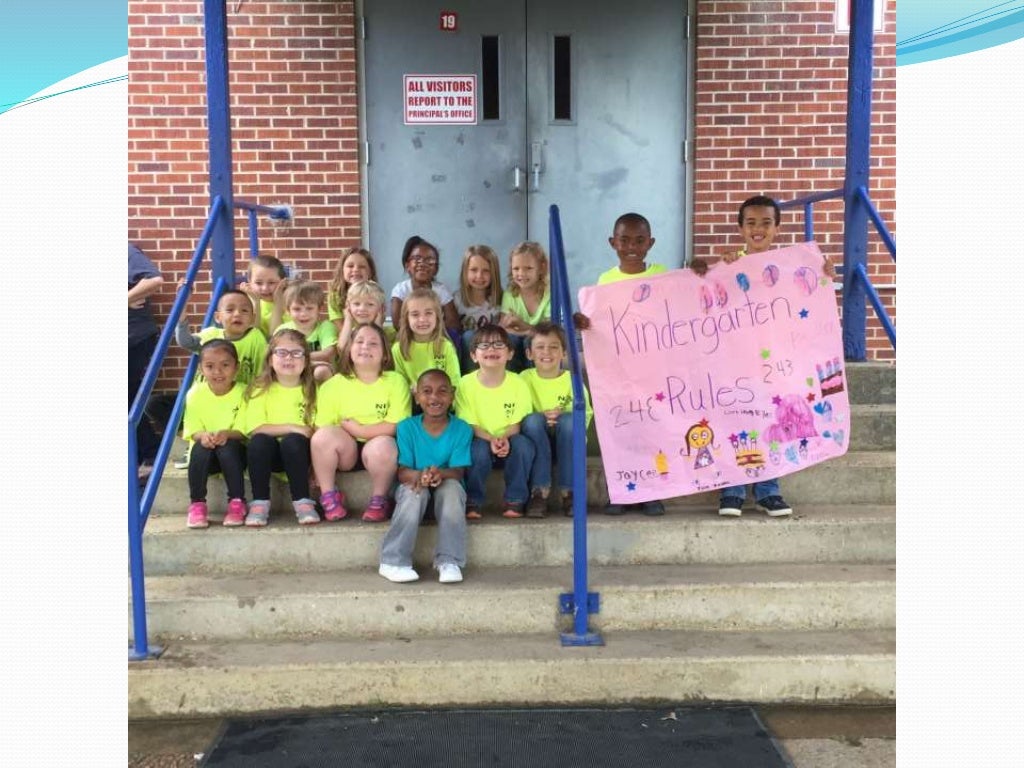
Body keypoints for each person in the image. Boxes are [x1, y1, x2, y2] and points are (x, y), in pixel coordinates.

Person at [693, 195, 798, 517]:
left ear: (777, 228)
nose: (758, 229)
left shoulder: (788, 267)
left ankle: (768, 491)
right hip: (736, 362)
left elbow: (807, 297)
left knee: (771, 423)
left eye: (766, 222)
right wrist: (702, 272)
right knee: (736, 423)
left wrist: (821, 273)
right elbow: (706, 297)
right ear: (740, 228)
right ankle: (733, 490)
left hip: (773, 362)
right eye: (750, 223)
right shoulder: (729, 266)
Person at [572, 214, 667, 516]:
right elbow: (602, 323)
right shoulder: (605, 281)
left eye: (640, 240)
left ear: (650, 243)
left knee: (652, 431)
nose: (631, 246)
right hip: (619, 373)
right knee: (622, 432)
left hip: (653, 370)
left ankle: (653, 491)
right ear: (612, 243)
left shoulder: (664, 275)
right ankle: (624, 492)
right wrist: (584, 323)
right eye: (624, 240)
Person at [379, 369, 472, 584]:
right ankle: (393, 561)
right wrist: (420, 475)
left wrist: (440, 473)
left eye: (442, 391)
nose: (434, 398)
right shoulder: (407, 427)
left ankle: (450, 560)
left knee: (451, 489)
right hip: (415, 487)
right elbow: (403, 471)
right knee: (414, 492)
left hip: (446, 489)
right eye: (427, 391)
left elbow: (458, 471)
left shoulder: (461, 428)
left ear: (452, 394)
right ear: (417, 396)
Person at [312, 323, 411, 522]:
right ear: (349, 350)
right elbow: (323, 426)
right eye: (359, 342)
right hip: (345, 450)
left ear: (384, 354)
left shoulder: (395, 381)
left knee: (384, 445)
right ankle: (329, 495)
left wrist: (361, 430)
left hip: (379, 445)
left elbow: (397, 424)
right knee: (322, 437)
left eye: (373, 343)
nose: (365, 346)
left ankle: (379, 498)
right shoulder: (333, 385)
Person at [454, 324, 535, 520]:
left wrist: (503, 438)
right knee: (477, 451)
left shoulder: (518, 383)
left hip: (510, 437)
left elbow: (518, 422)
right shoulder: (465, 383)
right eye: (484, 345)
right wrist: (491, 439)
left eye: (499, 344)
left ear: (510, 353)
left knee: (523, 446)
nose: (491, 349)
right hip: (480, 437)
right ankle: (473, 501)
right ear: (473, 355)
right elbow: (469, 424)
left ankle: (516, 500)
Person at [240, 329, 319, 526]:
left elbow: (319, 429)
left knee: (294, 441)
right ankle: (259, 502)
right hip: (270, 457)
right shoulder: (260, 389)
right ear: (269, 359)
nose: (289, 358)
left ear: (306, 360)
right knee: (259, 442)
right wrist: (293, 427)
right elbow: (255, 428)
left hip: (302, 455)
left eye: (296, 353)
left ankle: (302, 502)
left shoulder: (315, 389)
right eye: (282, 352)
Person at [519, 323, 594, 518]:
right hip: (535, 436)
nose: (547, 352)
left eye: (554, 347)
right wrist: (543, 416)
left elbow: (585, 412)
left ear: (564, 353)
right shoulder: (523, 379)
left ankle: (570, 492)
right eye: (540, 347)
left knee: (570, 421)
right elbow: (518, 410)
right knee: (533, 421)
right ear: (529, 354)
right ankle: (539, 492)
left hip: (566, 437)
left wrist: (561, 416)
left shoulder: (572, 380)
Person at [182, 340, 248, 529]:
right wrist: (203, 436)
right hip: (207, 457)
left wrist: (227, 433)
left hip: (235, 455)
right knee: (199, 448)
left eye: (225, 365)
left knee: (228, 447)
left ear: (236, 367)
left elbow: (245, 431)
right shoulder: (195, 393)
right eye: (210, 366)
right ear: (201, 369)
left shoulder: (244, 392)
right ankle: (197, 504)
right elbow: (193, 430)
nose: (217, 372)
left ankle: (237, 502)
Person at [175, 289, 268, 385]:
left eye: (244, 310)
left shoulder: (256, 339)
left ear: (253, 318)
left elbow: (263, 374)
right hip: (206, 394)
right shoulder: (211, 335)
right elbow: (185, 341)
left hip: (240, 396)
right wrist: (182, 303)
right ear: (218, 317)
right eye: (230, 310)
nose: (237, 314)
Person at [129, 243, 164, 479]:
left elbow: (154, 279)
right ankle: (147, 454)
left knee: (128, 398)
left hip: (133, 337)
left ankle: (150, 454)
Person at [389, 236, 460, 340]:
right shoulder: (401, 290)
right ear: (407, 265)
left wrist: (430, 332)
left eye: (429, 260)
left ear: (436, 269)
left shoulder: (441, 290)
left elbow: (454, 324)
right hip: (410, 339)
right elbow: (398, 324)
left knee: (454, 335)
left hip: (437, 338)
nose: (422, 264)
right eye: (417, 259)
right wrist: (420, 332)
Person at [391, 288, 461, 392]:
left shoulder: (446, 347)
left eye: (428, 313)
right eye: (415, 314)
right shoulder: (398, 349)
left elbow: (455, 383)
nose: (422, 319)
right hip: (411, 403)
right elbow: (398, 385)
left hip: (441, 403)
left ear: (438, 316)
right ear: (406, 318)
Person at [500, 241, 551, 371]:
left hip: (541, 346)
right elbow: (503, 329)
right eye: (516, 269)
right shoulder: (510, 294)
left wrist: (522, 326)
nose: (521, 274)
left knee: (533, 341)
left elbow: (548, 332)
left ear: (541, 268)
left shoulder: (550, 294)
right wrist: (529, 331)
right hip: (516, 344)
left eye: (528, 268)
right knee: (510, 340)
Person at [275, 280, 339, 383]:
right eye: (297, 309)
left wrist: (296, 355)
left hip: (317, 368)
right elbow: (275, 356)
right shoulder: (283, 330)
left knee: (321, 371)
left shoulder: (325, 327)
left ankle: (323, 398)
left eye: (309, 308)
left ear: (319, 309)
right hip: (291, 370)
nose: (303, 314)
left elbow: (328, 353)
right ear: (288, 310)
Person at [454, 244, 504, 371]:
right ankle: (470, 379)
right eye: (474, 270)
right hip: (469, 352)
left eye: (486, 271)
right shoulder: (457, 299)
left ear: (494, 274)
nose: (479, 276)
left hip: (493, 349)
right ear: (465, 272)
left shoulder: (500, 299)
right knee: (469, 336)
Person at [327, 247, 380, 334]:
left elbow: (378, 323)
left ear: (370, 272)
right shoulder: (335, 296)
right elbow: (340, 327)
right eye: (350, 266)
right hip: (345, 336)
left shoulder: (375, 294)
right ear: (342, 270)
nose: (356, 270)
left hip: (370, 334)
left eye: (362, 267)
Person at [239, 254, 288, 336]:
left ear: (283, 281)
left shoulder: (291, 303)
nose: (265, 288)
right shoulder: (247, 304)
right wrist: (256, 303)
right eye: (258, 283)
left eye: (271, 282)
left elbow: (275, 335)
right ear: (249, 282)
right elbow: (252, 335)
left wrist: (278, 302)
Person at [336, 279, 394, 347]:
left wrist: (377, 325)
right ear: (348, 307)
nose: (362, 309)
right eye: (357, 304)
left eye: (370, 304)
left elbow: (380, 352)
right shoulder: (349, 333)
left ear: (382, 308)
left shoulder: (391, 333)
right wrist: (348, 320)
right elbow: (342, 349)